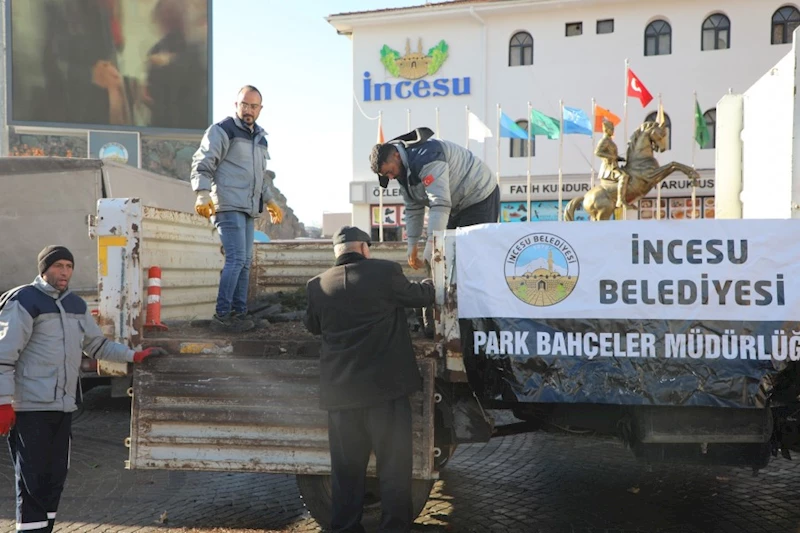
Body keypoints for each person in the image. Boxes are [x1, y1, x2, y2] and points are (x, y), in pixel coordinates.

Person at [0, 245, 166, 533]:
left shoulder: (76, 305)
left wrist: (133, 356)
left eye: (68, 266)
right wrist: (3, 402)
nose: (64, 272)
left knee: (55, 478)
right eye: (58, 266)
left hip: (63, 407)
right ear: (44, 269)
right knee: (32, 480)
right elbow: (3, 355)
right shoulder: (24, 301)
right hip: (29, 410)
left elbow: (97, 345)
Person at [304, 226, 435, 533]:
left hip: (341, 399)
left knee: (346, 475)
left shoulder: (316, 285)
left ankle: (345, 528)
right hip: (385, 395)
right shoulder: (385, 272)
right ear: (364, 248)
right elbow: (423, 296)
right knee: (394, 470)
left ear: (337, 252)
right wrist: (430, 280)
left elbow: (312, 326)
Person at [191, 85, 283, 332]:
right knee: (236, 259)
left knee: (245, 262)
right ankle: (223, 315)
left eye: (254, 106)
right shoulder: (222, 130)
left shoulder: (260, 138)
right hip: (228, 204)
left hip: (249, 208)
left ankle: (239, 315)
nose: (248, 110)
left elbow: (260, 177)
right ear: (236, 105)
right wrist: (201, 193)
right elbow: (203, 162)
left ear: (260, 109)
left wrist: (270, 200)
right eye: (244, 104)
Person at [369, 127, 500, 270]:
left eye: (390, 172)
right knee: (450, 254)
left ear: (396, 156)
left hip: (479, 194)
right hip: (455, 204)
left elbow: (439, 202)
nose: (391, 177)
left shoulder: (427, 156)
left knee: (470, 254)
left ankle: (474, 291)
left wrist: (431, 244)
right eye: (386, 175)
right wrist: (412, 245)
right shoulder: (401, 171)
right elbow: (413, 208)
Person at [596, 119, 635, 210]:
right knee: (623, 177)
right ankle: (620, 200)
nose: (613, 130)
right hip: (609, 167)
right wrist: (611, 157)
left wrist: (618, 158)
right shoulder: (604, 140)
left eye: (613, 128)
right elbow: (597, 152)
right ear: (606, 130)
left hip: (614, 165)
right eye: (611, 129)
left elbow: (613, 155)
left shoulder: (610, 141)